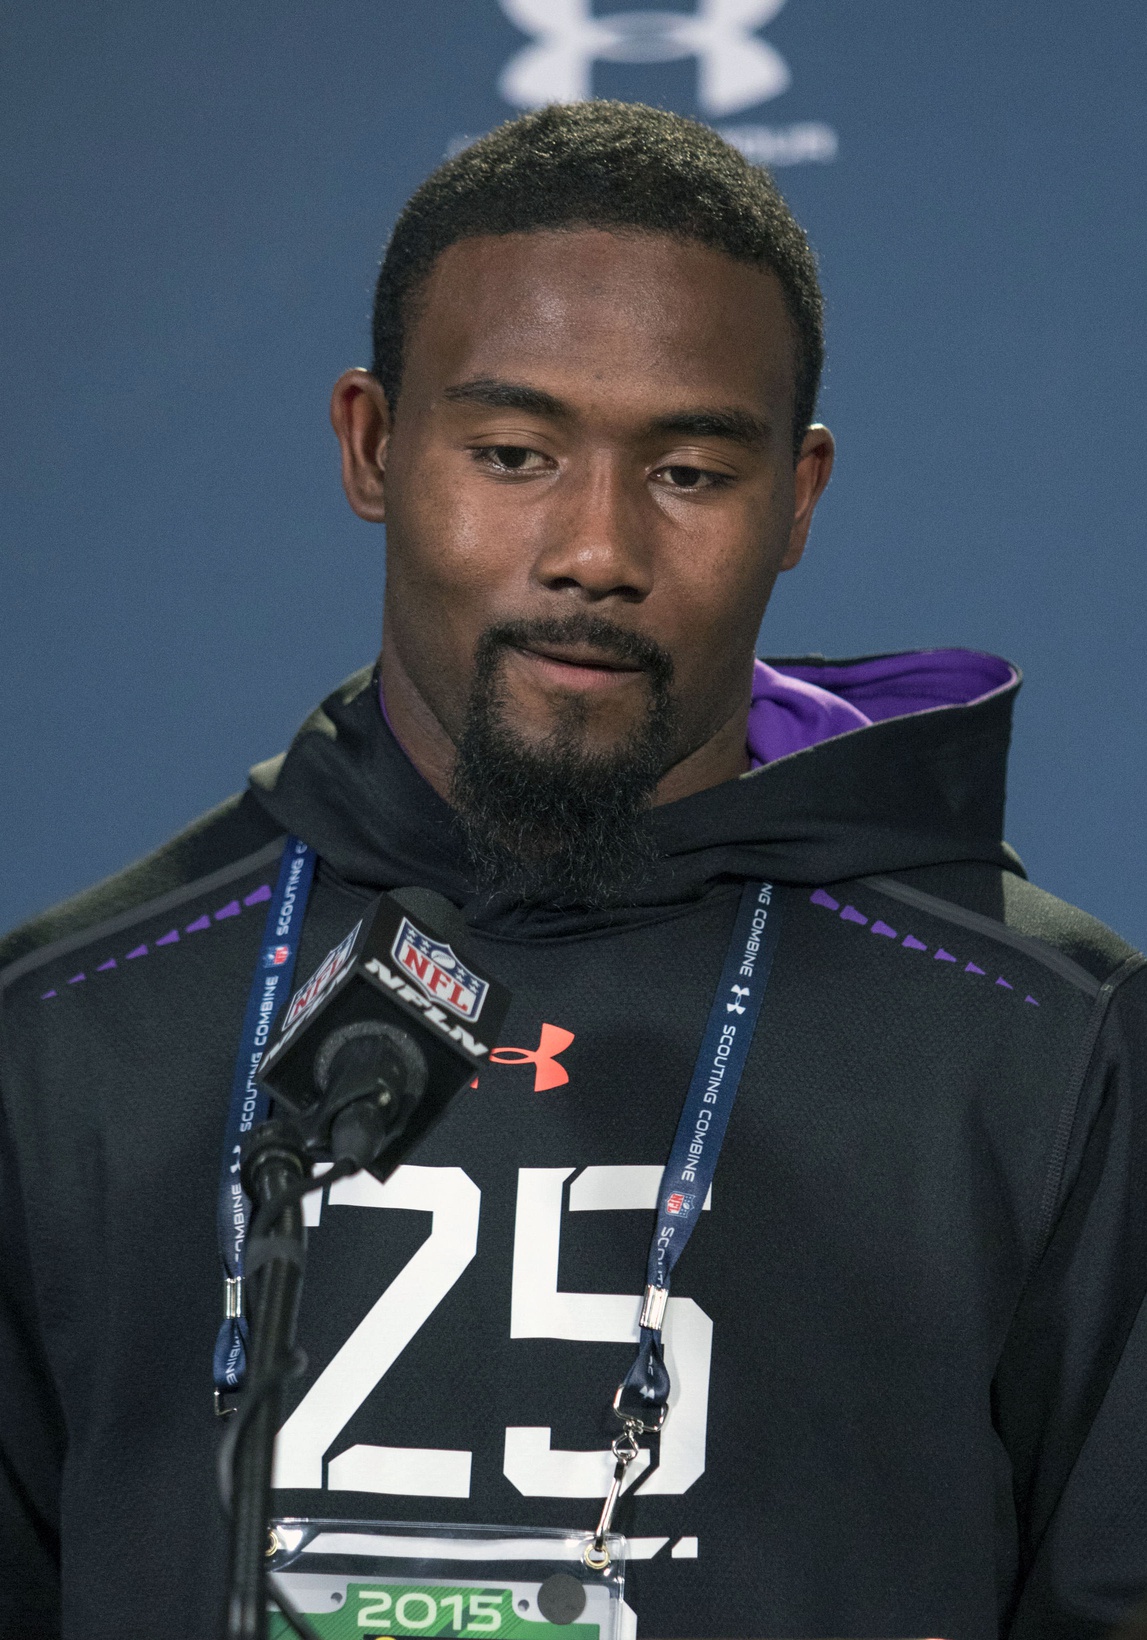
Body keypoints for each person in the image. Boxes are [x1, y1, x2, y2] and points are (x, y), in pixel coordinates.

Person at [1, 99, 1144, 1640]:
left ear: (796, 501)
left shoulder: (1051, 1049)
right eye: (514, 451)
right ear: (373, 445)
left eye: (686, 472)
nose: (595, 547)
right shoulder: (66, 1036)